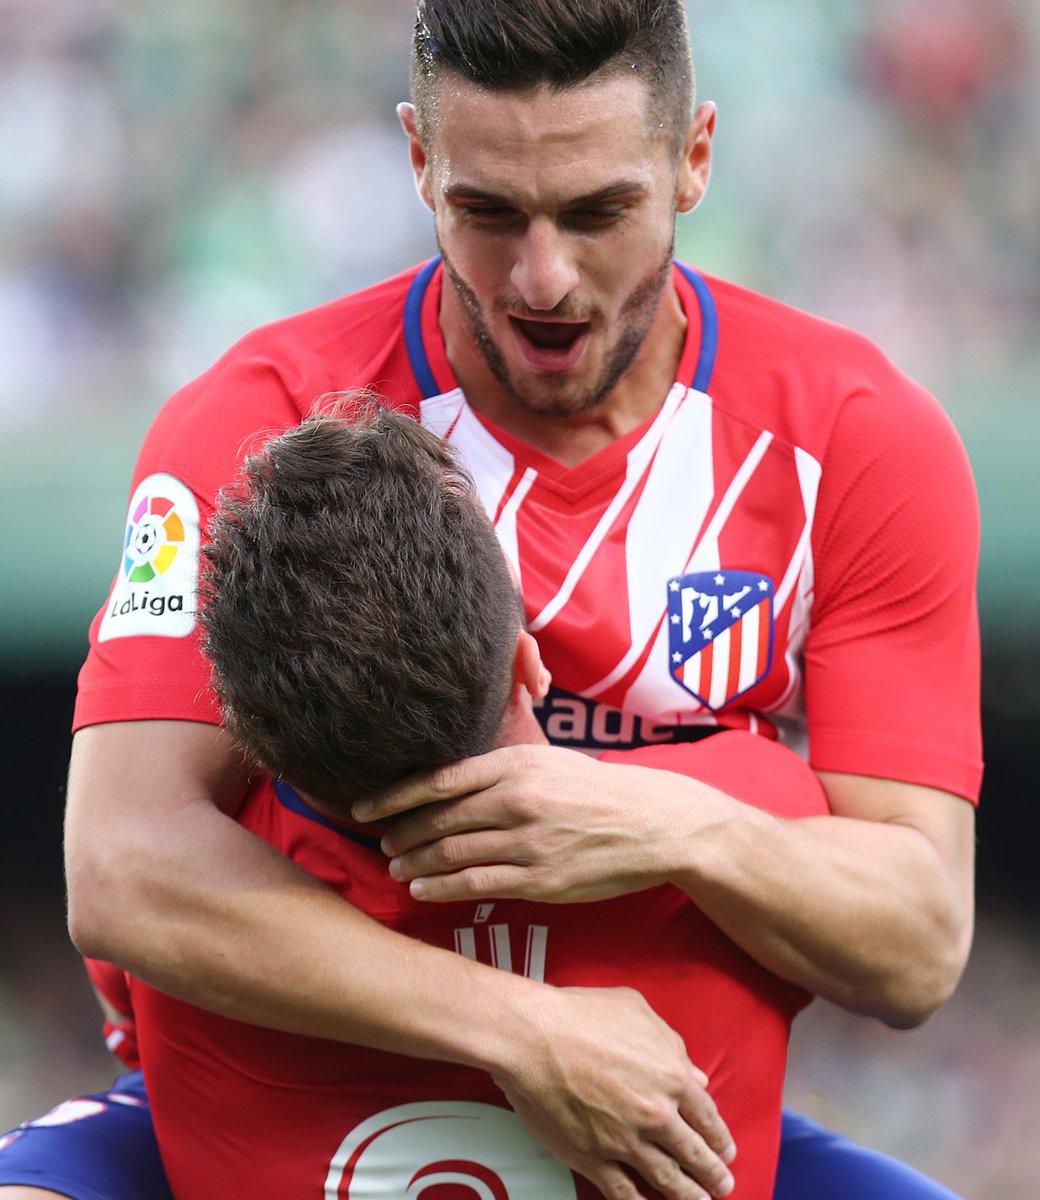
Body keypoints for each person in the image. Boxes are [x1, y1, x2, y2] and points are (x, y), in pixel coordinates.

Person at [9, 0, 980, 1197]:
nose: (542, 279)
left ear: (693, 158)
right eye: (487, 213)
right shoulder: (263, 427)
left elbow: (914, 946)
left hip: (664, 1110)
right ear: (419, 159)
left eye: (595, 212)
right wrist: (523, 1029)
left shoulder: (858, 442)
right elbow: (122, 865)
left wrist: (670, 826)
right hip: (277, 1085)